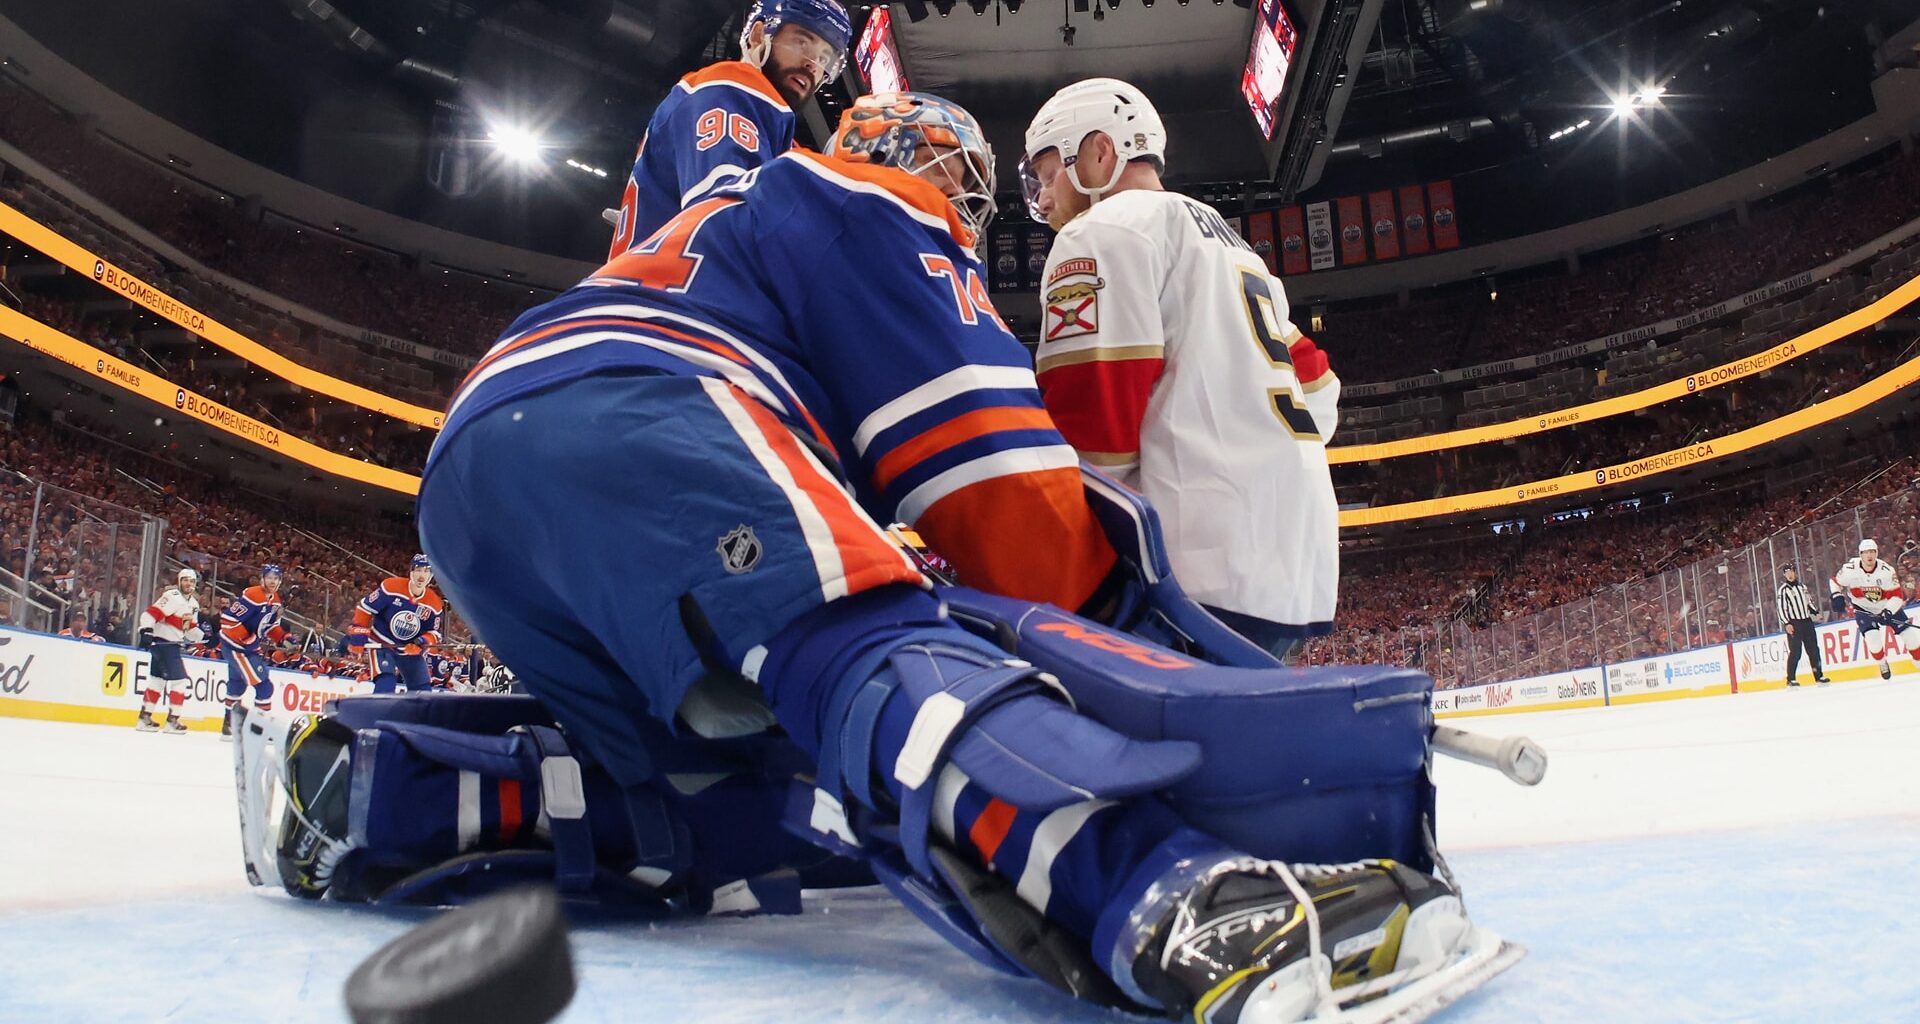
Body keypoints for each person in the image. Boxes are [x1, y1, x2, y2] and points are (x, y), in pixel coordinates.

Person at [241, 93, 1485, 1024]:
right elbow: (998, 487)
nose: (979, 200)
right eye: (972, 177)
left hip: (483, 472)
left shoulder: (726, 224)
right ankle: (1180, 902)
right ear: (917, 159)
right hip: (653, 405)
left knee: (718, 805)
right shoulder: (871, 199)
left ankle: (383, 787)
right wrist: (1121, 646)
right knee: (876, 652)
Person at [1019, 78, 1340, 658]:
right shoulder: (1232, 242)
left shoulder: (1099, 233)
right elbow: (1319, 391)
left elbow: (1095, 436)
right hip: (1295, 561)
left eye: (1047, 175)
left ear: (1099, 152)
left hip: (1196, 569)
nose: (1041, 199)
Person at [604, 0, 851, 256]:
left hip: (665, 285)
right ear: (758, 35)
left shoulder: (782, 140)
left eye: (824, 58)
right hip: (669, 289)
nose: (814, 64)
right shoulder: (729, 86)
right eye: (803, 42)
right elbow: (724, 221)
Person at [348, 554, 446, 694]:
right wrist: (358, 638)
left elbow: (434, 633)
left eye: (426, 571)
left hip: (408, 648)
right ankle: (379, 715)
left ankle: (417, 716)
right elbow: (365, 608)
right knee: (386, 682)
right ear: (411, 571)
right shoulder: (392, 587)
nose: (421, 575)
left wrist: (421, 642)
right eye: (418, 570)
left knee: (423, 690)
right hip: (382, 643)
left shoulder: (434, 603)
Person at [1830, 538, 1919, 680]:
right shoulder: (1849, 569)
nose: (1869, 555)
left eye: (1872, 552)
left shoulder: (1886, 571)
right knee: (1874, 641)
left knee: (1911, 638)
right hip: (1863, 609)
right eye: (1866, 552)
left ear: (1877, 553)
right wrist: (1836, 595)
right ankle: (1882, 662)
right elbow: (1834, 582)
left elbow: (1897, 596)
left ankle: (1918, 661)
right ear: (1860, 554)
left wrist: (1888, 611)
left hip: (1885, 606)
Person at [219, 563, 290, 735]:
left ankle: (229, 726)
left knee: (237, 685)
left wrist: (285, 638)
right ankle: (260, 729)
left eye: (276, 578)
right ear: (262, 579)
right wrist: (248, 638)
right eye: (269, 577)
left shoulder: (276, 600)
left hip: (245, 647)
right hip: (237, 647)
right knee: (264, 687)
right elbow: (227, 620)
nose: (272, 581)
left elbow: (269, 627)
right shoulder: (253, 595)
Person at [135, 568, 203, 733]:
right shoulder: (172, 597)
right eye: (185, 580)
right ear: (179, 581)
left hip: (170, 645)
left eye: (192, 581)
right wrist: (145, 630)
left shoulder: (193, 604)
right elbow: (150, 614)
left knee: (157, 681)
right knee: (180, 680)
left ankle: (144, 718)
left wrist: (205, 637)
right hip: (163, 644)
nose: (189, 584)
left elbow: (189, 630)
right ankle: (173, 720)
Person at [1775, 565, 1828, 687]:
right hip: (1795, 623)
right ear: (1784, 575)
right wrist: (1786, 623)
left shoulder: (1802, 587)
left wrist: (1816, 612)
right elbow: (1781, 608)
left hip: (1807, 622)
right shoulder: (1783, 590)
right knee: (1796, 652)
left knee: (1814, 650)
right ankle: (1791, 679)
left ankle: (1819, 676)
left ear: (1795, 572)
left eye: (1791, 571)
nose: (1789, 574)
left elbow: (1808, 601)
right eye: (1787, 572)